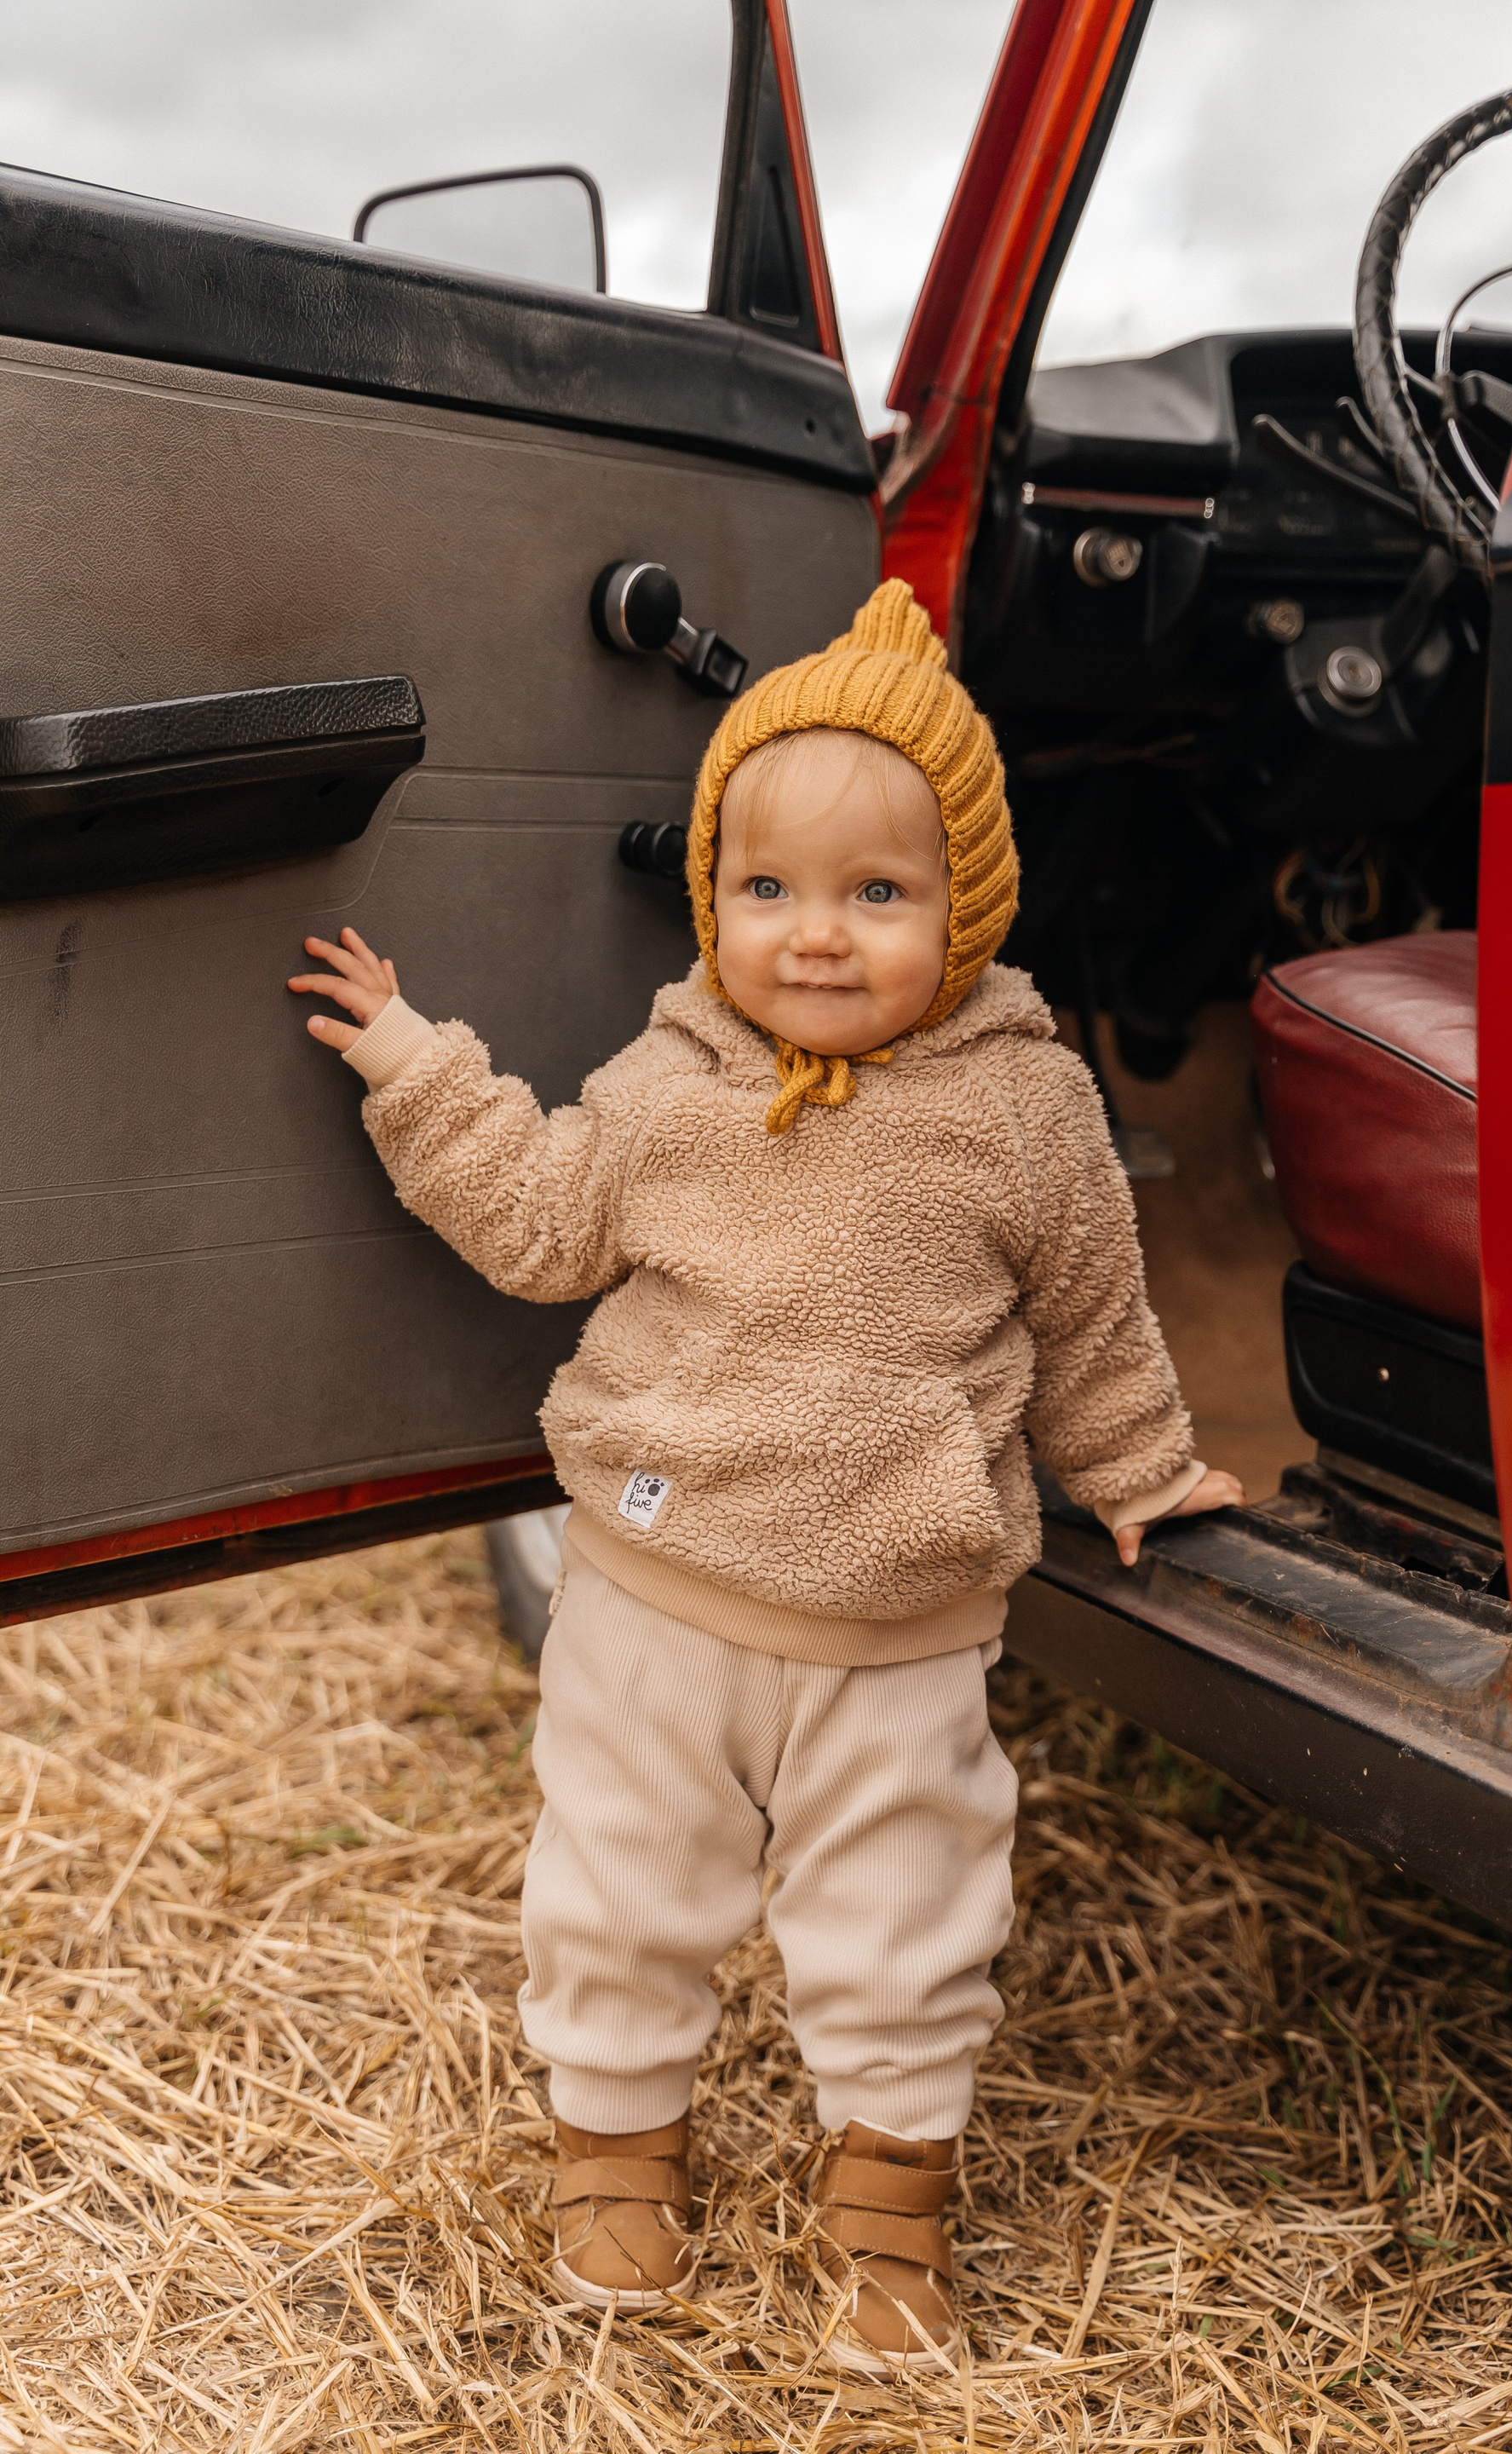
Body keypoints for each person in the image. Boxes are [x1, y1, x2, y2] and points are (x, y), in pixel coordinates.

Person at [287, 579, 1243, 2374]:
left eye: (877, 895)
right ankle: (616, 2147)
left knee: (904, 1926)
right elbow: (539, 1215)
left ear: (968, 905)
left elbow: (1093, 1311)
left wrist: (1141, 1468)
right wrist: (416, 1062)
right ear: (711, 896)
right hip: (656, 1595)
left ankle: (889, 2200)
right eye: (768, 890)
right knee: (618, 1884)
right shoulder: (671, 1081)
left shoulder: (1025, 1105)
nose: (814, 937)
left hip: (900, 1626)